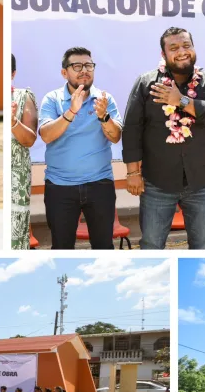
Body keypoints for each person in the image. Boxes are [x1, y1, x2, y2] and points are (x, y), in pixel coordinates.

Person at [122, 27, 205, 249]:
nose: (181, 52)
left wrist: (181, 101)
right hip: (157, 183)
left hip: (201, 182)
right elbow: (132, 129)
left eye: (186, 46)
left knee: (203, 247)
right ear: (163, 54)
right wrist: (133, 172)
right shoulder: (147, 83)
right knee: (152, 245)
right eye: (174, 48)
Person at [38, 47, 123, 249]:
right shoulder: (52, 99)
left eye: (89, 65)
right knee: (62, 246)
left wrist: (104, 117)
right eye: (77, 66)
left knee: (104, 247)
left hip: (99, 184)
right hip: (60, 187)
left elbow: (116, 136)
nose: (84, 70)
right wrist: (71, 111)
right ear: (64, 72)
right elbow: (46, 135)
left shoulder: (104, 99)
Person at [10, 53, 38, 250]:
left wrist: (13, 122)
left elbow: (29, 140)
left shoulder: (22, 97)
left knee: (16, 233)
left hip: (16, 179)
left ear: (13, 73)